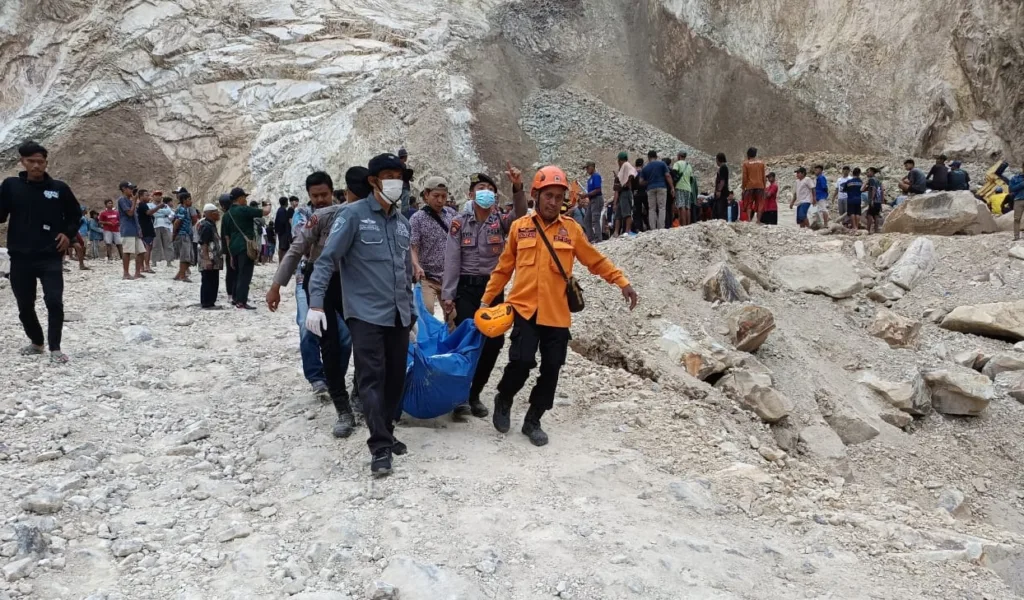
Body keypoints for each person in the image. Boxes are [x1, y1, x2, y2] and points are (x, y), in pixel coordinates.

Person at [482, 165, 639, 446]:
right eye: (548, 196)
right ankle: (504, 397)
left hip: (557, 313)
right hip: (525, 310)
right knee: (521, 361)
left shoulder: (572, 230)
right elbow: (503, 269)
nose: (553, 202)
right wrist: (486, 300)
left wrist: (621, 281)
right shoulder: (520, 228)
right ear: (536, 196)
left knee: (552, 368)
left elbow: (595, 261)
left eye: (558, 196)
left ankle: (533, 419)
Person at [309, 153, 415, 476]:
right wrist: (316, 303)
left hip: (398, 315)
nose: (396, 182)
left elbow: (405, 272)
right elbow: (326, 260)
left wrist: (412, 314)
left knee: (396, 378)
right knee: (371, 378)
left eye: (399, 176)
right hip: (365, 314)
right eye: (389, 176)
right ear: (373, 181)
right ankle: (379, 446)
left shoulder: (403, 224)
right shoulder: (352, 216)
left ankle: (387, 430)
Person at [268, 171, 358, 437]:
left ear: (334, 192)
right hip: (319, 283)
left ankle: (357, 393)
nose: (320, 200)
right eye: (315, 196)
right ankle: (341, 405)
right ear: (308, 196)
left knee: (360, 338)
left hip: (351, 282)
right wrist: (276, 286)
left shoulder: (349, 214)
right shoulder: (313, 218)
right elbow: (296, 250)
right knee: (327, 340)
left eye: (324, 194)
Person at [441, 166, 528, 419]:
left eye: (490, 189)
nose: (486, 193)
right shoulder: (459, 223)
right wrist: (448, 295)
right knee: (467, 342)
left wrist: (517, 188)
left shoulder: (500, 220)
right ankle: (459, 398)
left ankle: (474, 394)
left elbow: (521, 215)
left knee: (493, 343)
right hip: (466, 290)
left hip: (493, 291)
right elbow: (452, 260)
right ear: (471, 194)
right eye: (481, 189)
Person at [0, 140, 81, 364]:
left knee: (54, 301)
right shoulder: (10, 186)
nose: (36, 165)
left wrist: (67, 234)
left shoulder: (59, 188)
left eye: (40, 161)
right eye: (31, 161)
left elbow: (75, 215)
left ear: (46, 163)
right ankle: (37, 342)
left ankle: (55, 348)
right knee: (25, 305)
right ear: (22, 162)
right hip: (20, 257)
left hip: (50, 255)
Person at [409, 176, 457, 315]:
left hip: (448, 277)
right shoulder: (417, 219)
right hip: (427, 277)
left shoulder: (452, 215)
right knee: (426, 310)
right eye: (436, 196)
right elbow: (413, 247)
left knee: (453, 316)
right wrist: (416, 265)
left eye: (443, 196)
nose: (440, 200)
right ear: (426, 195)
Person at [222, 188, 264, 309]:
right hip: (245, 247)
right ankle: (241, 301)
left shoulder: (227, 215)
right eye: (244, 197)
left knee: (236, 274)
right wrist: (267, 204)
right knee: (245, 274)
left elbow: (227, 237)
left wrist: (230, 254)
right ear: (240, 198)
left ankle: (235, 298)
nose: (246, 200)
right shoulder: (244, 209)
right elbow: (265, 212)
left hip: (233, 248)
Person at [116, 182, 146, 280]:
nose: (132, 190)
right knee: (127, 251)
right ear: (124, 189)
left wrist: (139, 229)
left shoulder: (129, 200)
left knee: (141, 251)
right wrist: (134, 201)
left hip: (134, 229)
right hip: (127, 229)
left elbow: (135, 216)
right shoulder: (122, 200)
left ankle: (137, 273)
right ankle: (126, 273)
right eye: (130, 188)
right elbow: (129, 213)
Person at [197, 204, 224, 309]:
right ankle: (207, 303)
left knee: (212, 280)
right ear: (211, 214)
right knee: (208, 280)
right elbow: (204, 243)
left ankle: (210, 302)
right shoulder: (207, 226)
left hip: (213, 258)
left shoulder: (210, 225)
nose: (218, 214)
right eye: (216, 212)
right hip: (209, 258)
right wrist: (207, 259)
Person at [640, 150, 673, 229]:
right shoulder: (662, 164)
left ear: (648, 157)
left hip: (650, 188)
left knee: (652, 209)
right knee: (661, 207)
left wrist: (648, 182)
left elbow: (640, 182)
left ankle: (653, 228)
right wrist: (672, 187)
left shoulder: (645, 168)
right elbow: (667, 175)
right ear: (656, 156)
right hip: (661, 187)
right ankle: (661, 227)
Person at [172, 193, 196, 282]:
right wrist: (174, 234)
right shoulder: (182, 209)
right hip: (183, 235)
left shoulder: (185, 209)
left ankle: (179, 274)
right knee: (185, 256)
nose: (191, 201)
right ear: (184, 200)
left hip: (186, 234)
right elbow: (177, 222)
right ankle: (182, 276)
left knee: (188, 256)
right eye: (189, 199)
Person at [740, 148, 766, 223]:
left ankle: (749, 219)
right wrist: (764, 187)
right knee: (760, 203)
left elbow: (744, 177)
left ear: (748, 155)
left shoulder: (746, 164)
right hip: (760, 186)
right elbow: (763, 176)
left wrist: (743, 187)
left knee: (749, 203)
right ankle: (758, 220)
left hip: (749, 186)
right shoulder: (761, 163)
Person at [614, 153, 637, 236]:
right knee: (618, 214)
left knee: (627, 213)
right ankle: (616, 232)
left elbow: (632, 173)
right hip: (621, 193)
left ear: (620, 160)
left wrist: (627, 182)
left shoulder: (626, 165)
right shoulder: (622, 168)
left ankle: (627, 231)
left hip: (626, 192)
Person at [136, 189, 158, 274]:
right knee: (147, 248)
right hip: (146, 229)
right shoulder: (142, 205)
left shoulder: (141, 205)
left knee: (143, 248)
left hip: (144, 228)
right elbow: (149, 213)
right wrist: (158, 207)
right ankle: (147, 266)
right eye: (146, 195)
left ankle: (142, 267)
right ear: (141, 196)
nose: (149, 197)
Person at [152, 192, 175, 266]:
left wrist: (157, 210)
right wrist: (162, 213)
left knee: (168, 244)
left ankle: (169, 262)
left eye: (160, 195)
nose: (158, 197)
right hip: (155, 226)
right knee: (155, 244)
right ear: (153, 196)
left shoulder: (165, 205)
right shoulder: (150, 205)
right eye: (156, 195)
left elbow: (169, 212)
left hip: (166, 226)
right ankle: (154, 261)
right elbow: (153, 214)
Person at [672, 151, 694, 226]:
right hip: (688, 188)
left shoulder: (677, 163)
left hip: (680, 186)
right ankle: (688, 225)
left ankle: (683, 225)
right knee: (687, 207)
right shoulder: (689, 165)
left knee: (682, 207)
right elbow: (691, 178)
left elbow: (674, 173)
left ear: (679, 156)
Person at [865, 167, 884, 233]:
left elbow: (874, 189)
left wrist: (872, 199)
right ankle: (876, 230)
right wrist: (882, 200)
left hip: (873, 200)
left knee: (869, 215)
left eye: (868, 172)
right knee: (876, 215)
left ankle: (868, 230)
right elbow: (882, 190)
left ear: (872, 172)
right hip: (878, 200)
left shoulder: (871, 180)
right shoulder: (878, 180)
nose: (867, 173)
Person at [632, 157, 649, 232]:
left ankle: (639, 228)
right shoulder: (644, 172)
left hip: (636, 194)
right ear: (642, 164)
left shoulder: (633, 173)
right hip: (645, 193)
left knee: (637, 212)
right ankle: (649, 225)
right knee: (648, 210)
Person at [274, 196, 292, 262]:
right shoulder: (282, 211)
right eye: (287, 202)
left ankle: (282, 263)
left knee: (283, 247)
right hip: (283, 232)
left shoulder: (280, 210)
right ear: (285, 202)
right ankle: (282, 263)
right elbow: (283, 222)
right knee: (283, 248)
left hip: (282, 232)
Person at [1010, 163, 1024, 240]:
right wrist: (1022, 184)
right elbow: (1011, 189)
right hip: (1018, 200)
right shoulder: (1015, 178)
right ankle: (1016, 236)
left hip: (1018, 200)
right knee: (1017, 219)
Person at [714, 153, 729, 220]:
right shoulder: (723, 167)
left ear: (718, 159)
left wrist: (719, 190)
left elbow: (722, 181)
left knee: (720, 210)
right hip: (723, 192)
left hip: (722, 192)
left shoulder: (723, 167)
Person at [399, 148, 413, 212]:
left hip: (399, 186)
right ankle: (404, 216)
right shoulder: (402, 164)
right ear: (405, 156)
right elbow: (404, 175)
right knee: (405, 204)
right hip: (404, 187)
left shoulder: (397, 164)